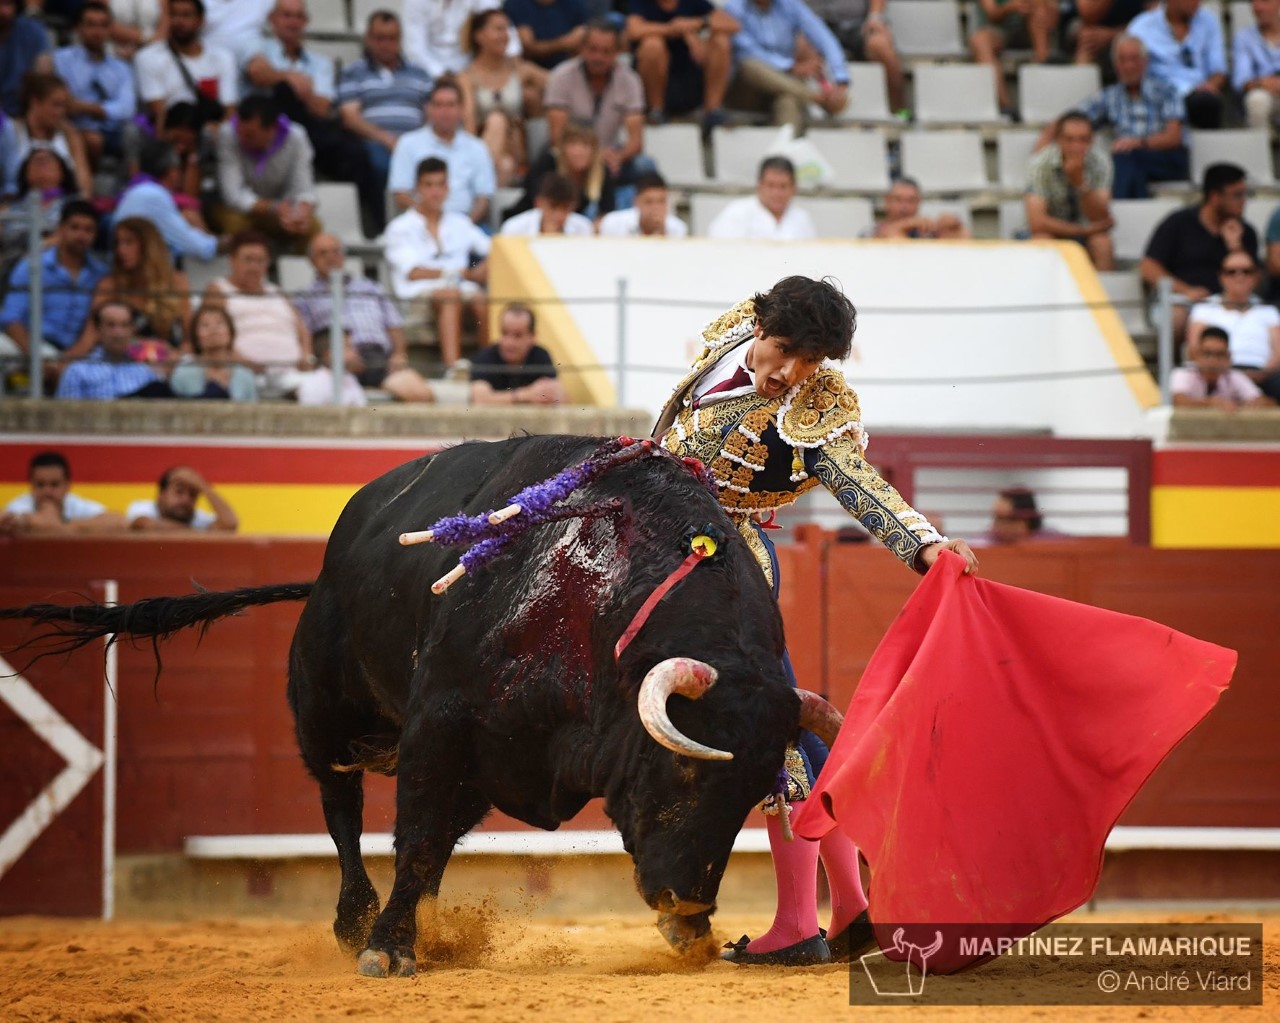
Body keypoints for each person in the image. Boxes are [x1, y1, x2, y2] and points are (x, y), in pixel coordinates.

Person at [651, 275, 977, 967]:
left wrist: (925, 545)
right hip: (664, 548)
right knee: (794, 725)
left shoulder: (816, 406)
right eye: (786, 350)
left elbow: (860, 483)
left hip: (726, 567)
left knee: (779, 729)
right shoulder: (733, 330)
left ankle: (800, 922)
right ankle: (853, 907)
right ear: (760, 327)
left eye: (812, 360)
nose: (791, 372)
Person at [243, 0, 380, 236]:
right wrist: (291, 78)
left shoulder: (319, 62)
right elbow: (256, 72)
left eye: (298, 16)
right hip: (267, 127)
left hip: (308, 127)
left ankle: (375, 224)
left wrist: (290, 85)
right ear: (273, 19)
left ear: (306, 21)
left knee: (357, 154)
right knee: (283, 92)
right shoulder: (256, 45)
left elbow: (323, 107)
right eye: (287, 15)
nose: (293, 22)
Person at [293, 233, 435, 402]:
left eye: (336, 251)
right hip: (335, 362)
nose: (331, 257)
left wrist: (399, 355)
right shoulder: (304, 297)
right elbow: (304, 335)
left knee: (421, 394)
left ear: (343, 256)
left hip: (377, 358)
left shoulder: (370, 287)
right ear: (311, 260)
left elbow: (394, 326)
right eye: (323, 253)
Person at [384, 157, 491, 367]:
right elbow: (414, 272)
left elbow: (495, 249)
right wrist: (461, 273)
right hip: (417, 297)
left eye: (440, 185)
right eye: (429, 185)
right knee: (450, 295)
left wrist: (484, 268)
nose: (435, 192)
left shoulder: (460, 223)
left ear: (448, 188)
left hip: (461, 290)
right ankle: (453, 367)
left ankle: (489, 367)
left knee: (481, 298)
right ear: (417, 188)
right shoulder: (400, 227)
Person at [1142, 162, 1258, 345]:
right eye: (1237, 195)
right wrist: (1186, 290)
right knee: (1176, 316)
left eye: (1245, 194)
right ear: (1215, 196)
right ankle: (1176, 364)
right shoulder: (1179, 223)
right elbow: (1148, 267)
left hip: (1230, 301)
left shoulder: (1245, 231)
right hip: (1184, 300)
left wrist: (1235, 247)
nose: (1243, 201)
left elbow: (1254, 278)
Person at [1071, 34, 1189, 200]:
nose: (1128, 66)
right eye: (1122, 60)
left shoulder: (1166, 91)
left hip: (1167, 158)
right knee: (1129, 165)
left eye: (1134, 59)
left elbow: (1173, 138)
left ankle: (1120, 209)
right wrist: (1047, 138)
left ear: (1145, 61)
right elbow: (1074, 119)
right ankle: (1134, 208)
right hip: (1129, 160)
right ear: (1115, 64)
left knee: (1125, 158)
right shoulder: (1110, 96)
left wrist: (1138, 143)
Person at [0, 200, 105, 382]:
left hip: (78, 353)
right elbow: (11, 318)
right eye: (75, 227)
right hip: (33, 345)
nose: (81, 235)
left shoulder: (100, 273)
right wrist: (39, 359)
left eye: (89, 230)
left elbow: (96, 327)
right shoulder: (33, 266)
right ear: (61, 228)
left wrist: (65, 361)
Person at [337, 10, 434, 204]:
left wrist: (415, 141)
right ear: (368, 38)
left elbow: (432, 113)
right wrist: (387, 139)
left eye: (392, 38)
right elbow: (350, 117)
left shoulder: (419, 73)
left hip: (416, 142)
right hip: (374, 143)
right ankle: (388, 217)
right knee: (380, 164)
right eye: (380, 38)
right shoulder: (354, 72)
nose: (386, 44)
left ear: (400, 39)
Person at [201, 230, 312, 396]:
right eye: (248, 260)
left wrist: (307, 356)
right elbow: (211, 334)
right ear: (232, 260)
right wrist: (244, 363)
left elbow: (303, 331)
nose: (254, 267)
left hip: (294, 374)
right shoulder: (219, 289)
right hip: (244, 373)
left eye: (260, 261)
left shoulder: (277, 292)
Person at [67, 217, 191, 363]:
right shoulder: (109, 286)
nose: (121, 250)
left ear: (148, 246)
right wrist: (61, 363)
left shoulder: (177, 282)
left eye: (129, 242)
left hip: (170, 365)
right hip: (124, 366)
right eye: (118, 243)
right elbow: (90, 336)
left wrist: (176, 357)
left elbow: (189, 340)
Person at [212, 94, 320, 253]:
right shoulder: (227, 134)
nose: (241, 138)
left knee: (311, 227)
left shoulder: (297, 137)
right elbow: (233, 195)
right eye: (239, 131)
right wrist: (275, 208)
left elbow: (303, 188)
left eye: (249, 134)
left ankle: (302, 269)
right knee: (236, 224)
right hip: (239, 210)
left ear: (271, 130)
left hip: (280, 209)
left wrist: (300, 214)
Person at [544, 20, 648, 185]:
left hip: (611, 156)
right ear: (582, 49)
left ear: (617, 52)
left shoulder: (630, 80)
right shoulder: (561, 76)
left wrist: (619, 156)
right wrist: (588, 156)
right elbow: (557, 136)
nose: (598, 57)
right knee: (546, 163)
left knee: (645, 166)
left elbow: (636, 141)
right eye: (593, 49)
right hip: (571, 155)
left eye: (606, 51)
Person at [722, 0, 850, 131]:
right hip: (745, 91)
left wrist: (841, 80)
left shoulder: (790, 4)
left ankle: (785, 142)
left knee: (787, 99)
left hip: (783, 84)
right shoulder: (734, 8)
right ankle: (814, 98)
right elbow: (748, 50)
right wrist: (790, 67)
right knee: (749, 65)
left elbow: (824, 38)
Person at [459, 8, 548, 186]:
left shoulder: (519, 69)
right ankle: (476, 181)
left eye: (507, 29)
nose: (505, 35)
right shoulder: (466, 77)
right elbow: (469, 126)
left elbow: (561, 85)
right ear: (479, 36)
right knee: (497, 124)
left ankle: (474, 184)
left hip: (517, 147)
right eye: (498, 29)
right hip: (485, 148)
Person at [388, 79, 497, 224]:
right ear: (429, 109)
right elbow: (401, 195)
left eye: (450, 105)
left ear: (461, 109)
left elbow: (483, 198)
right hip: (421, 223)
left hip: (467, 222)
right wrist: (431, 221)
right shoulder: (408, 144)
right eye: (438, 105)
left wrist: (464, 226)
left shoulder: (477, 147)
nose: (444, 111)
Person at [627, 0, 739, 132]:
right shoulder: (641, 3)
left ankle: (713, 110)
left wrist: (697, 23)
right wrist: (678, 30)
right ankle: (656, 111)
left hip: (690, 79)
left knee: (721, 42)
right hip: (654, 85)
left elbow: (732, 24)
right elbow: (634, 30)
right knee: (652, 45)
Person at [1025, 112, 1115, 270]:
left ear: (1092, 140)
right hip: (1054, 232)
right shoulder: (1040, 163)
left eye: (1083, 140)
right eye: (1069, 139)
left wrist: (1080, 183)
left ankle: (1101, 287)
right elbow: (1037, 223)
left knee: (1102, 243)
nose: (1076, 147)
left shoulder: (1101, 162)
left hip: (1088, 234)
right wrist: (1082, 230)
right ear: (1058, 140)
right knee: (1042, 241)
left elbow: (1101, 218)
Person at [1186, 251, 1280, 401]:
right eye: (1231, 272)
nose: (1239, 276)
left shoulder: (1268, 310)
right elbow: (1195, 349)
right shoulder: (1204, 308)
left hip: (1262, 375)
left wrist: (1262, 374)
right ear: (1221, 276)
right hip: (1216, 372)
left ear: (1257, 276)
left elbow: (1278, 352)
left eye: (1246, 271)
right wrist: (1224, 372)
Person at [53, 2, 136, 168]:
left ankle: (135, 179)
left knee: (134, 132)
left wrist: (89, 108)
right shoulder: (62, 60)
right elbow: (64, 102)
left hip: (113, 131)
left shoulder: (121, 68)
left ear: (109, 30)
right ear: (78, 28)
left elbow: (127, 108)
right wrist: (83, 108)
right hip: (74, 127)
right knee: (92, 139)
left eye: (102, 26)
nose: (97, 32)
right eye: (90, 25)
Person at [134, 0, 237, 132]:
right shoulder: (148, 58)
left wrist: (217, 132)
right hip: (172, 133)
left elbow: (229, 108)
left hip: (212, 134)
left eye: (186, 15)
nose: (179, 21)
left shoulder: (222, 58)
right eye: (173, 15)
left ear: (201, 20)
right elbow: (159, 113)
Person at [114, 137, 222, 263]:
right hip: (138, 268)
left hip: (137, 262)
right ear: (171, 171)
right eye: (179, 168)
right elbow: (194, 246)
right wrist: (220, 243)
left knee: (189, 216)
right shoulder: (153, 195)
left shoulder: (138, 190)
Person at [1127, 0, 1228, 129]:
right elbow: (1129, 68)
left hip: (1197, 94)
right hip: (1157, 95)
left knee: (1208, 102)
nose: (1197, 2)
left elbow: (1218, 69)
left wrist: (1211, 86)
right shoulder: (1141, 27)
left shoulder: (1209, 21)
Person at [804, 0, 904, 116]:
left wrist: (874, 16)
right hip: (815, 24)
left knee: (880, 45)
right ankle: (810, 111)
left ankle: (899, 112)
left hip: (859, 24)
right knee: (801, 47)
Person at [5, 72, 93, 198]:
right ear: (35, 102)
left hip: (62, 204)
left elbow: (85, 189)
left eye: (64, 106)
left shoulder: (70, 135)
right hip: (19, 204)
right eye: (56, 105)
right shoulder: (11, 131)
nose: (61, 112)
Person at [55, 299, 164, 399]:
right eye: (110, 325)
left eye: (124, 325)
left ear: (132, 330)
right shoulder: (77, 372)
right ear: (98, 330)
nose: (118, 333)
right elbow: (64, 412)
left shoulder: (145, 373)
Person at [509, 120, 617, 221]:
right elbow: (535, 199)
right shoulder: (548, 164)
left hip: (581, 229)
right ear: (562, 147)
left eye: (585, 145)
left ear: (594, 150)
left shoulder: (602, 172)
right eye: (572, 144)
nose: (578, 152)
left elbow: (607, 210)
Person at [969, 0, 1060, 117]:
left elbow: (1053, 18)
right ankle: (1005, 106)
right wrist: (1011, 7)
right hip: (998, 30)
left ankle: (1043, 67)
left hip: (1032, 28)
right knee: (980, 40)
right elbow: (992, 14)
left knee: (1039, 11)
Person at [0, 450, 124, 536]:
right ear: (31, 484)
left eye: (54, 484)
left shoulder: (76, 504)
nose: (47, 491)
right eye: (40, 485)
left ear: (67, 485)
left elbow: (119, 521)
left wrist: (65, 526)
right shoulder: (18, 506)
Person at [469, 302, 565, 404]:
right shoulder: (486, 357)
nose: (509, 342)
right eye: (504, 333)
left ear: (533, 337)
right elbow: (480, 400)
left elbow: (559, 397)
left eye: (518, 335)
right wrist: (527, 395)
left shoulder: (541, 355)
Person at [402, 0, 520, 80]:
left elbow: (498, 20)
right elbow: (414, 49)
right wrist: (441, 74)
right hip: (427, 71)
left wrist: (513, 57)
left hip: (470, 66)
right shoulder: (415, 2)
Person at [706, 155, 814, 240]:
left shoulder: (802, 218)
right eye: (770, 185)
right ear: (759, 185)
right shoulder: (736, 213)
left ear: (794, 188)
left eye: (783, 186)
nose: (776, 193)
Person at [1172, 325, 1275, 409]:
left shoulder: (1234, 376)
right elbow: (1178, 400)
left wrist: (1255, 403)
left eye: (1219, 355)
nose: (1213, 361)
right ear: (1196, 355)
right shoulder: (1184, 373)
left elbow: (1265, 402)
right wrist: (1210, 403)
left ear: (1228, 357)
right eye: (1207, 354)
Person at [169, 304, 259, 400]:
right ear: (196, 336)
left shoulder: (245, 376)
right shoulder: (183, 373)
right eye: (205, 325)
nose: (213, 329)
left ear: (230, 333)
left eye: (220, 323)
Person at [127, 465, 238, 531]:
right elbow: (145, 525)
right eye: (179, 492)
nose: (186, 499)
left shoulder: (197, 518)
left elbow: (230, 524)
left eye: (192, 494)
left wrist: (204, 486)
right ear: (161, 495)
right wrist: (200, 534)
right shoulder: (143, 507)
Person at [865, 177, 968, 239]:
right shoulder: (872, 231)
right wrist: (908, 223)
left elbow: (964, 240)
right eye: (898, 200)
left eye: (911, 201)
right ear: (887, 201)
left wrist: (954, 226)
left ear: (919, 202)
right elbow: (888, 236)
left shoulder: (928, 233)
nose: (904, 206)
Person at [0, 0, 52, 119]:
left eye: (7, 4)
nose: (2, 11)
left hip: (25, 113)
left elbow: (45, 78)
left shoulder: (33, 30)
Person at [1233, 0, 1280, 131]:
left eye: (1265, 1)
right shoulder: (1243, 37)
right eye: (1254, 2)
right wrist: (1264, 83)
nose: (1258, 7)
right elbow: (1242, 81)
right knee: (1257, 100)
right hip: (1263, 93)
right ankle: (1260, 144)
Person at [500, 172, 595, 235]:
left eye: (565, 208)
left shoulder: (583, 228)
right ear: (538, 203)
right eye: (553, 207)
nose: (559, 215)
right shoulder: (514, 229)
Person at [598, 171, 687, 236]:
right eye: (649, 202)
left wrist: (662, 232)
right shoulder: (613, 223)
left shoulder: (678, 229)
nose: (656, 207)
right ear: (636, 202)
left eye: (661, 201)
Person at [506, 0, 588, 71]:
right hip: (530, 70)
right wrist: (563, 43)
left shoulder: (575, 3)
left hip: (569, 67)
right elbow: (528, 47)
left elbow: (582, 36)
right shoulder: (516, 4)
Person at [295, 328, 368, 407]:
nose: (354, 352)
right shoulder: (313, 385)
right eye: (348, 347)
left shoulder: (350, 378)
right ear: (329, 354)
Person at [972, 486, 1069, 545]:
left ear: (1026, 520)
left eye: (1007, 519)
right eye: (996, 517)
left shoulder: (1051, 541)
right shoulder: (987, 541)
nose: (996, 525)